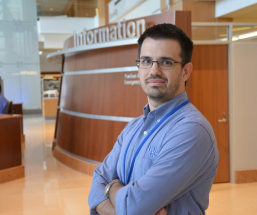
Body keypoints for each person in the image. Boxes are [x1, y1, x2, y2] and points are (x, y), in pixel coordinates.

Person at [88, 23, 219, 215]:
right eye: (146, 61)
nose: (154, 71)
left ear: (186, 71)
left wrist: (112, 186)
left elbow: (133, 207)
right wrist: (120, 201)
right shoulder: (133, 127)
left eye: (166, 62)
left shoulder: (192, 130)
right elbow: (97, 181)